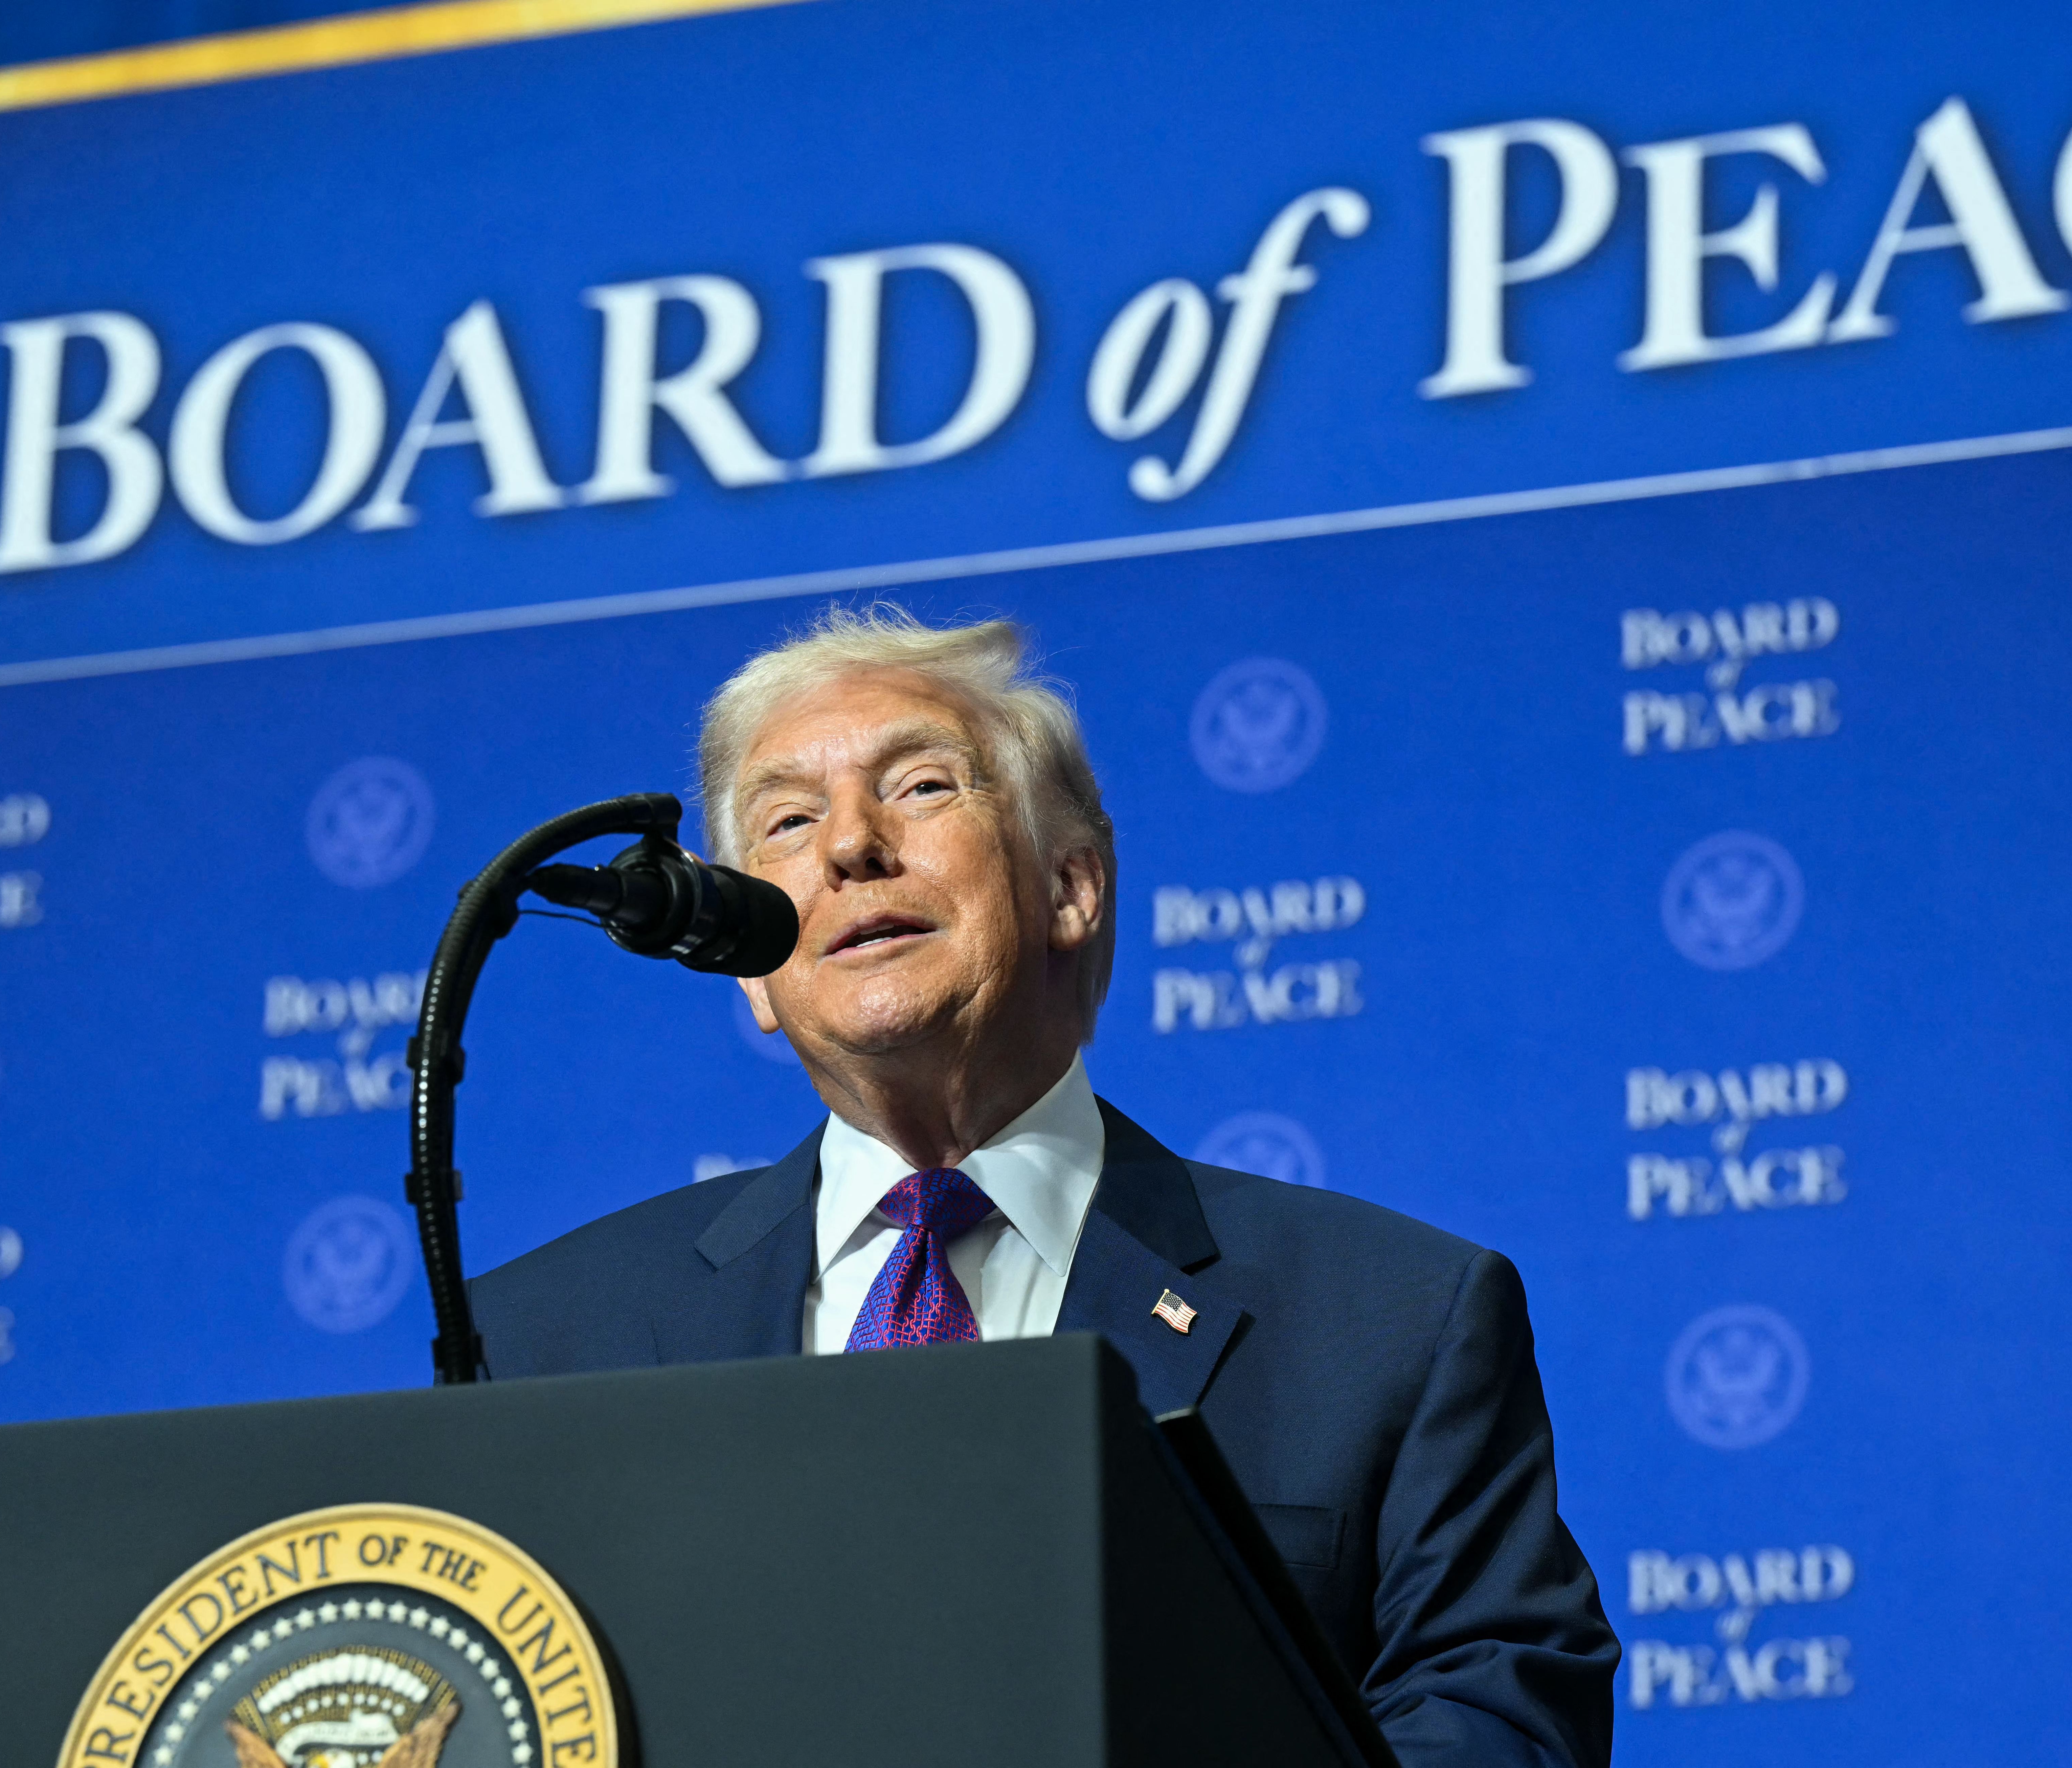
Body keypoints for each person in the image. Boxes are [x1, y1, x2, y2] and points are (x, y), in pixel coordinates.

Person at [472, 606, 1617, 1766]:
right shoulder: (545, 1348)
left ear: (1073, 886)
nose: (851, 844)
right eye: (789, 820)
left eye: (921, 786)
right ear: (749, 972)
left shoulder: (1391, 1321)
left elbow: (1501, 1719)